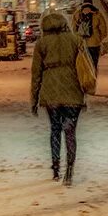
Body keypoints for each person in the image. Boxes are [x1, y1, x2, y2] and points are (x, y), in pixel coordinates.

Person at [30, 12, 87, 186]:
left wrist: (34, 98)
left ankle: (55, 167)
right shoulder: (77, 40)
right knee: (70, 131)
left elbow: (36, 74)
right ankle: (70, 168)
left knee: (55, 129)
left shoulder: (42, 43)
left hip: (51, 91)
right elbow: (85, 67)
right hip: (73, 91)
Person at [72, 0, 107, 77]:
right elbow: (104, 29)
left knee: (84, 61)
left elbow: (73, 29)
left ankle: (87, 76)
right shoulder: (97, 14)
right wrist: (99, 38)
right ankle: (94, 75)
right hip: (94, 43)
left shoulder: (77, 13)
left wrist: (78, 39)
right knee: (94, 60)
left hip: (82, 43)